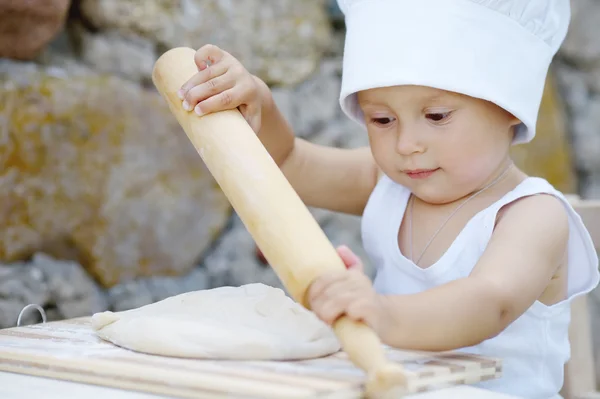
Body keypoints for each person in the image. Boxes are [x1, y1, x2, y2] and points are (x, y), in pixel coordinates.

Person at [176, 0, 599, 397]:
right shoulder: (387, 183)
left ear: (509, 107)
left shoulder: (533, 214)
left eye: (436, 116)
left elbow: (490, 303)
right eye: (381, 119)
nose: (406, 143)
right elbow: (288, 163)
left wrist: (383, 314)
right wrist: (258, 105)